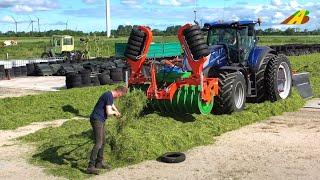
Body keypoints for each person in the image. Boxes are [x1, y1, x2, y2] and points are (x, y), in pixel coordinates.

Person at [87, 86, 128, 175]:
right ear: (119, 92)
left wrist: (117, 111)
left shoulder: (109, 95)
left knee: (103, 141)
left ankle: (99, 163)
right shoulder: (108, 95)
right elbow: (109, 112)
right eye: (121, 95)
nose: (119, 97)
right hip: (97, 120)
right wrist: (115, 113)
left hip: (101, 120)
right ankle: (90, 166)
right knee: (98, 143)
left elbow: (111, 105)